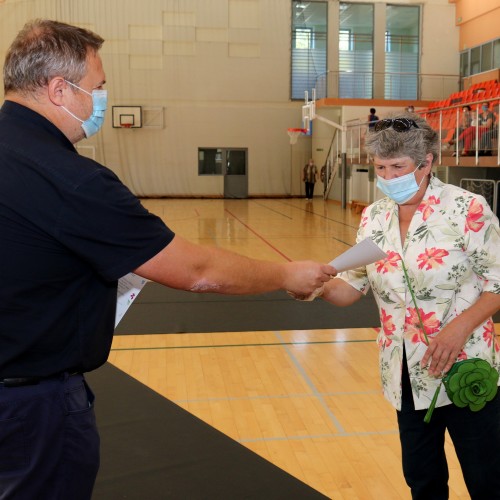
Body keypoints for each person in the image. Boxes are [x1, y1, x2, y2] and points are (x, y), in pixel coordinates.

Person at [0, 19, 336, 500]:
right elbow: (195, 271)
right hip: (30, 410)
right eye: (98, 87)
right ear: (59, 89)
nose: (102, 99)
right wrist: (288, 272)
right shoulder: (69, 178)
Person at [303, 113, 500, 499]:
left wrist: (459, 328)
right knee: (422, 479)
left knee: (487, 477)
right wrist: (314, 287)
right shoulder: (373, 217)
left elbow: (498, 282)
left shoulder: (467, 209)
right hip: (405, 372)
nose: (389, 178)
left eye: (399, 167)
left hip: (465, 368)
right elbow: (351, 288)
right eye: (380, 168)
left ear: (426, 163)